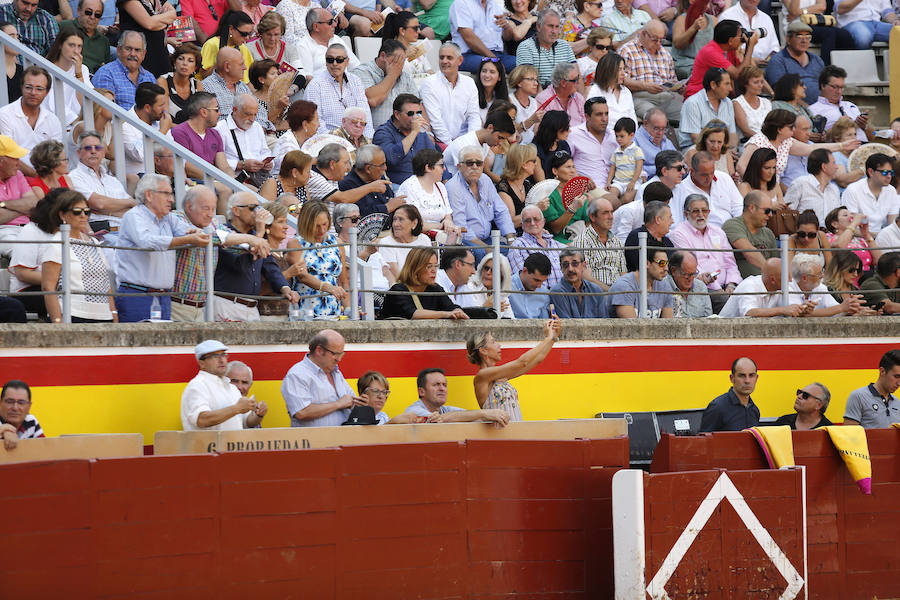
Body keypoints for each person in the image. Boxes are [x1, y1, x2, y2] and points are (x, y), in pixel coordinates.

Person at [114, 174, 211, 321]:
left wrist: (195, 232)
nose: (171, 200)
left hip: (164, 297)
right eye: (166, 194)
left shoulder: (169, 218)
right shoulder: (134, 216)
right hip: (137, 295)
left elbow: (189, 230)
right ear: (149, 195)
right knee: (137, 343)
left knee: (164, 344)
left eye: (171, 194)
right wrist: (187, 239)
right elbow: (146, 241)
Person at [172, 186, 270, 322]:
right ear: (189, 207)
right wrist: (254, 239)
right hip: (177, 304)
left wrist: (257, 238)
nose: (210, 214)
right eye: (206, 208)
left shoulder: (212, 223)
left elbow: (235, 241)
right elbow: (209, 237)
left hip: (202, 307)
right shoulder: (177, 219)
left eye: (213, 209)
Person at [36, 189, 116, 323]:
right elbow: (48, 287)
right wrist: (58, 323)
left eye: (87, 212)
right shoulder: (57, 243)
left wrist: (114, 314)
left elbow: (106, 284)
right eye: (77, 212)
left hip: (104, 316)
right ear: (62, 215)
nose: (83, 216)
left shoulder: (94, 242)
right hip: (72, 314)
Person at [466, 316, 561, 421]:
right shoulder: (482, 376)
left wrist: (553, 338)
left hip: (515, 433)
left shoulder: (500, 375)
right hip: (498, 436)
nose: (499, 345)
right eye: (493, 342)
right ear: (483, 350)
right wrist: (547, 338)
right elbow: (522, 362)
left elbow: (538, 359)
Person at [738, 109, 852, 181]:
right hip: (754, 190)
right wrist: (758, 186)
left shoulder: (786, 141)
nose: (793, 129)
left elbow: (811, 148)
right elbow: (741, 167)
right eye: (790, 127)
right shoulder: (758, 141)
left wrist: (842, 146)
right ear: (779, 129)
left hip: (773, 188)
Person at [670, 194, 740, 311]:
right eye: (695, 211)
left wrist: (732, 284)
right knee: (724, 301)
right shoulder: (678, 234)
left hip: (725, 287)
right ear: (686, 214)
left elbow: (730, 262)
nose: (701, 215)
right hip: (699, 285)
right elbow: (689, 265)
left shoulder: (718, 232)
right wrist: (718, 290)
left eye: (704, 210)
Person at [447, 145, 517, 262]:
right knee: (480, 253)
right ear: (459, 166)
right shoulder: (453, 187)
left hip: (488, 239)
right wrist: (486, 249)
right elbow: (460, 226)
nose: (475, 167)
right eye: (469, 163)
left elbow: (501, 211)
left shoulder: (485, 180)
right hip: (465, 241)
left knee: (512, 250)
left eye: (478, 163)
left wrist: (510, 239)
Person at [281, 329, 361, 428]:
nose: (339, 359)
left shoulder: (336, 372)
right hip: (315, 441)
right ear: (319, 350)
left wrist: (361, 403)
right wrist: (338, 404)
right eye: (334, 354)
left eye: (341, 354)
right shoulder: (297, 374)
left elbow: (349, 400)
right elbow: (301, 412)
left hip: (342, 439)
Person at [181, 340, 267, 431]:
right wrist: (237, 408)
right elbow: (201, 419)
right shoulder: (197, 385)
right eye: (215, 356)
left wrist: (258, 414)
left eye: (223, 355)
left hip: (232, 444)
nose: (222, 360)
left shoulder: (231, 388)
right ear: (202, 363)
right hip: (207, 445)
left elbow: (245, 422)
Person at [170, 93, 235, 209]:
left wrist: (232, 179)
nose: (220, 113)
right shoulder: (180, 132)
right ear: (204, 112)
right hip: (192, 182)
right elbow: (186, 165)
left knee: (250, 191)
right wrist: (218, 179)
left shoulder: (215, 133)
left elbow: (224, 165)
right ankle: (224, 227)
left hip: (213, 179)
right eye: (216, 110)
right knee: (225, 189)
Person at [0, 66, 62, 178]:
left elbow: (57, 156)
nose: (33, 93)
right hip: (14, 176)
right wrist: (37, 177)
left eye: (39, 89)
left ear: (47, 92)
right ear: (22, 87)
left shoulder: (53, 120)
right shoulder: (5, 114)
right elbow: (8, 155)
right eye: (29, 87)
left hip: (46, 176)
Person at [291, 201, 349, 318]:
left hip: (333, 307)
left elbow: (342, 281)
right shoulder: (296, 243)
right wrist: (329, 288)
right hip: (306, 309)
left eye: (324, 224)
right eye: (316, 226)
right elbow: (303, 276)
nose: (322, 230)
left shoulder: (337, 242)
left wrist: (348, 308)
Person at [305, 43, 374, 140]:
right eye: (330, 60)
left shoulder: (356, 81)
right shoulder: (315, 85)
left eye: (339, 60)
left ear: (347, 62)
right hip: (328, 143)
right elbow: (316, 123)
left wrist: (368, 141)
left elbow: (366, 116)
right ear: (325, 62)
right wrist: (337, 142)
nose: (334, 64)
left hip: (357, 140)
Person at [619, 20, 683, 123]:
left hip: (668, 97)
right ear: (644, 34)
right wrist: (646, 86)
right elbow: (622, 80)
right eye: (654, 39)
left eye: (661, 40)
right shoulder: (627, 51)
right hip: (641, 97)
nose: (658, 44)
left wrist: (679, 87)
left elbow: (673, 80)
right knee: (656, 119)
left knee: (690, 114)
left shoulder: (665, 53)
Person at [381, 246, 469, 319]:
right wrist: (446, 314)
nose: (434, 271)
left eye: (435, 266)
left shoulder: (435, 288)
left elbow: (451, 307)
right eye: (429, 266)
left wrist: (458, 312)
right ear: (415, 268)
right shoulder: (398, 290)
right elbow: (413, 314)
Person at [419, 42, 481, 146]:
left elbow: (474, 116)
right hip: (439, 142)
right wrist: (452, 146)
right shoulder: (429, 84)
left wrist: (472, 143)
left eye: (449, 58)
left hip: (465, 141)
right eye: (441, 57)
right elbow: (436, 122)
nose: (444, 61)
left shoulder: (469, 83)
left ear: (460, 60)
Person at [403, 368, 510, 426]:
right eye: (436, 385)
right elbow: (437, 420)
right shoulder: (415, 410)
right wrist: (484, 413)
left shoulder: (446, 410)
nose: (442, 389)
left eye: (444, 385)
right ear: (421, 391)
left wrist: (493, 415)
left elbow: (468, 416)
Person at [352, 38, 419, 130]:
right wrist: (392, 75)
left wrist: (427, 133)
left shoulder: (406, 77)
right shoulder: (362, 72)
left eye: (403, 61)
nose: (400, 65)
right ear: (383, 56)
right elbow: (372, 100)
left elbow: (418, 107)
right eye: (396, 60)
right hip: (375, 136)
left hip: (405, 132)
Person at [373, 94, 439, 186]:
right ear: (397, 114)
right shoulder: (383, 133)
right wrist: (414, 132)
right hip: (398, 185)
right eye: (410, 113)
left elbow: (435, 158)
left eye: (418, 113)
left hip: (422, 183)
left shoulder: (420, 132)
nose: (416, 117)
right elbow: (392, 158)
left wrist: (446, 181)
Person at [615, 150, 683, 239]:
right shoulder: (645, 190)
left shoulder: (681, 187)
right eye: (679, 168)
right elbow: (626, 237)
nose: (683, 172)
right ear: (665, 170)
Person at [684, 19, 758, 99]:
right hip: (699, 98)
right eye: (740, 36)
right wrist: (750, 47)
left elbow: (748, 71)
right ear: (730, 41)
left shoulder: (728, 49)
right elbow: (737, 75)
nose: (742, 38)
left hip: (717, 95)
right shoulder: (711, 52)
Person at [40, 27, 93, 128]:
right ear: (60, 45)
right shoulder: (45, 70)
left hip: (79, 124)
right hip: (53, 123)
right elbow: (51, 101)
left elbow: (86, 101)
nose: (76, 51)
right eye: (71, 45)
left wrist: (78, 73)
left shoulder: (82, 69)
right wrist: (76, 122)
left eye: (79, 46)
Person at [215, 94, 272, 189]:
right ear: (235, 110)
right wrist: (241, 165)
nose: (252, 119)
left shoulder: (257, 126)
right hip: (236, 181)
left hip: (259, 178)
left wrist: (267, 163)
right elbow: (217, 162)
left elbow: (265, 152)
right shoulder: (220, 129)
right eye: (248, 114)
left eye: (255, 114)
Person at [91, 31, 157, 110]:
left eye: (137, 50)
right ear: (118, 50)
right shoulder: (106, 73)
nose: (133, 54)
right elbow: (105, 113)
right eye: (128, 49)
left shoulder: (150, 77)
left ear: (143, 54)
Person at [764, 21, 825, 106]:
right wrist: (807, 109)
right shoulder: (778, 61)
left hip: (821, 107)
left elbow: (825, 86)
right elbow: (782, 92)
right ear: (788, 39)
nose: (804, 40)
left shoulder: (817, 60)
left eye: (807, 36)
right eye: (799, 36)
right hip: (794, 109)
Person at [719, 257, 803, 317]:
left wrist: (802, 308)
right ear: (773, 280)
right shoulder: (749, 285)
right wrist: (782, 310)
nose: (790, 281)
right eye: (786, 278)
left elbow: (792, 307)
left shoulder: (783, 285)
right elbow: (749, 312)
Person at [809, 66, 873, 144]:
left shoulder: (850, 106)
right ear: (823, 86)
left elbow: (873, 136)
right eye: (835, 87)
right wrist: (841, 125)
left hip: (864, 148)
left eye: (841, 87)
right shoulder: (813, 110)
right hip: (839, 151)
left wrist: (864, 126)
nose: (839, 91)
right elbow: (813, 141)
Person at [449, 0, 517, 73]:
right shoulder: (461, 3)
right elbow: (469, 38)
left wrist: (506, 26)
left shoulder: (495, 6)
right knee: (490, 66)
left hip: (497, 54)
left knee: (523, 64)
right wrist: (494, 60)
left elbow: (507, 38)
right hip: (468, 55)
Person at [515, 8, 577, 87]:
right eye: (550, 26)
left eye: (557, 27)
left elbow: (577, 77)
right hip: (539, 97)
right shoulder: (526, 47)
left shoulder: (565, 45)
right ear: (538, 27)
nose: (554, 31)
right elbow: (528, 84)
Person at [723, 190, 778, 278]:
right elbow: (749, 251)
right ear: (751, 208)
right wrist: (771, 273)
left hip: (768, 284)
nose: (771, 215)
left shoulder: (768, 233)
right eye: (767, 211)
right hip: (744, 286)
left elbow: (776, 261)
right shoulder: (732, 225)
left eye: (772, 211)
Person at [679, 67, 737, 150]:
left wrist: (732, 150)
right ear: (713, 85)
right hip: (697, 150)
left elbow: (732, 135)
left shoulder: (728, 102)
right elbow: (696, 139)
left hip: (721, 149)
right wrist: (723, 152)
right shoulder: (693, 103)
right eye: (726, 84)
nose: (731, 89)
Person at [507, 205, 565, 288]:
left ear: (543, 222)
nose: (532, 223)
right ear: (522, 225)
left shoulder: (556, 244)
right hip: (539, 296)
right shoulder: (518, 246)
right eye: (527, 220)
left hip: (564, 295)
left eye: (536, 219)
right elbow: (523, 280)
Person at [841, 153, 900, 236]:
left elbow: (892, 224)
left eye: (891, 173)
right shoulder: (853, 190)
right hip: (857, 238)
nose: (889, 176)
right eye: (885, 172)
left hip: (881, 238)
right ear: (871, 172)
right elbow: (848, 226)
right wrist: (875, 236)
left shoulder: (891, 190)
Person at [121, 82, 171, 178]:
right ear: (147, 108)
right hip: (139, 181)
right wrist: (162, 132)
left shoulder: (160, 121)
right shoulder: (124, 125)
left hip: (165, 178)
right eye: (160, 105)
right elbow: (139, 155)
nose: (164, 109)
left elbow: (171, 152)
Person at [787, 252, 862, 316]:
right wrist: (842, 308)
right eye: (818, 274)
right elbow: (800, 315)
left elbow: (835, 309)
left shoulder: (820, 287)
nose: (822, 276)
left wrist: (855, 310)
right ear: (804, 278)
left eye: (822, 271)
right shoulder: (788, 289)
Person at [577, 194, 627, 289]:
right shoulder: (582, 241)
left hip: (618, 295)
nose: (611, 216)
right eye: (605, 213)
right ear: (592, 217)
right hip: (595, 296)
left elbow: (623, 273)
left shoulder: (616, 241)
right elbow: (585, 277)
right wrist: (610, 292)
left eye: (612, 212)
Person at [338, 144, 403, 217]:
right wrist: (387, 207)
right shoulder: (346, 185)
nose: (385, 168)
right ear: (368, 169)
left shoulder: (378, 176)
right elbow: (360, 215)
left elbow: (391, 198)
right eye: (382, 165)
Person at [699, 357, 761, 432]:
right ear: (732, 378)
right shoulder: (717, 407)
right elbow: (704, 442)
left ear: (756, 378)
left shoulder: (754, 410)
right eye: (741, 375)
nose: (747, 381)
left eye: (751, 375)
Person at [609, 247, 675, 317]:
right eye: (662, 263)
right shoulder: (624, 286)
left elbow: (668, 324)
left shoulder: (664, 286)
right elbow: (630, 326)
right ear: (646, 263)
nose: (666, 268)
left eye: (667, 263)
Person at [843, 349, 900, 428]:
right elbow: (849, 435)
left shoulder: (897, 403)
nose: (899, 383)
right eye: (896, 376)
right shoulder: (858, 396)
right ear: (882, 371)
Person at [296, 8, 360, 77]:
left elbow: (356, 67)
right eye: (330, 22)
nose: (335, 25)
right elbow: (308, 78)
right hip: (320, 86)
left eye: (334, 21)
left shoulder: (336, 39)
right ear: (316, 27)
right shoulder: (303, 45)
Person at [549, 248, 609, 318]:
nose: (570, 269)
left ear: (584, 265)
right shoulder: (557, 292)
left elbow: (604, 320)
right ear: (561, 267)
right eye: (565, 265)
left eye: (575, 263)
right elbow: (565, 325)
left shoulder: (595, 290)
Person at [199, 10, 254, 83]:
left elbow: (248, 81)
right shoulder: (212, 44)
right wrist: (221, 61)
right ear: (231, 29)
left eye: (250, 34)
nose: (247, 38)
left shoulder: (243, 48)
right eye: (243, 34)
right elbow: (204, 76)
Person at [379, 204, 431, 279]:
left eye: (401, 219)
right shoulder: (386, 243)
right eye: (394, 219)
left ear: (414, 223)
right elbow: (396, 277)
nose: (395, 224)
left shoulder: (424, 240)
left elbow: (428, 270)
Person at [201, 46, 253, 121]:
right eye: (241, 64)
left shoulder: (243, 87)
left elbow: (259, 111)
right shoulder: (206, 88)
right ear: (227, 67)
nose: (245, 67)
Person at [58, 0, 111, 73]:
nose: (92, 17)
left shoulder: (104, 41)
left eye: (97, 14)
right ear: (78, 11)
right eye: (88, 12)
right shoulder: (63, 27)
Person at [824, 205, 878, 275]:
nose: (851, 217)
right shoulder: (828, 237)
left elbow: (878, 259)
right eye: (845, 215)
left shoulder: (860, 240)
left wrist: (866, 234)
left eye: (851, 215)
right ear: (835, 224)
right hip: (844, 276)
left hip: (866, 276)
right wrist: (854, 223)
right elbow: (839, 246)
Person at [587, 52, 637, 129]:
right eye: (619, 69)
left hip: (627, 137)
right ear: (608, 70)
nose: (623, 73)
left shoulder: (626, 91)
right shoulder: (595, 91)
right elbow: (591, 121)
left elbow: (633, 118)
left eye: (623, 69)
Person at [496, 142, 539, 230]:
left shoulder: (527, 185)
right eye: (533, 161)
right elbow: (510, 223)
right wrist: (537, 208)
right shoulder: (504, 188)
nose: (536, 164)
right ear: (523, 164)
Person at [158, 44, 203, 125]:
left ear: (195, 67)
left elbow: (199, 118)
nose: (185, 63)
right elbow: (164, 117)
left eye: (190, 61)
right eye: (181, 59)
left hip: (190, 132)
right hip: (168, 131)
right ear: (174, 63)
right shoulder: (163, 81)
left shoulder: (198, 85)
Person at [670, 0, 716, 80]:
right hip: (686, 64)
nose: (708, 6)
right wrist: (693, 28)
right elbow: (677, 44)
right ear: (692, 1)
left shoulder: (713, 20)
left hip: (706, 63)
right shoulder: (681, 19)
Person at [623, 200, 674, 271]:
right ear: (658, 219)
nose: (672, 221)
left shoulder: (667, 241)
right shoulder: (636, 237)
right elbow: (639, 267)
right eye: (669, 217)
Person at [606, 117, 644, 205]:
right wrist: (608, 182)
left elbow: (639, 168)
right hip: (618, 182)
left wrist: (633, 182)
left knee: (627, 199)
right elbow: (612, 168)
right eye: (617, 136)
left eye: (622, 136)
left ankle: (618, 208)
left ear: (631, 135)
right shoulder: (616, 151)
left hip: (632, 182)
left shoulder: (637, 150)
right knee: (611, 196)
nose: (618, 139)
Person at [663, 250, 712, 317]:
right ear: (673, 270)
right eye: (687, 275)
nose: (691, 278)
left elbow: (709, 318)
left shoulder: (701, 287)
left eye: (694, 274)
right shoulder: (662, 287)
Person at [535, 63, 586, 127]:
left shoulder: (578, 98)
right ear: (563, 83)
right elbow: (545, 130)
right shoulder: (543, 99)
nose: (578, 82)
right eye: (575, 80)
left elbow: (586, 124)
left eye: (578, 78)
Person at [467, 254, 515, 318]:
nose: (488, 272)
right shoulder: (469, 288)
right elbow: (467, 320)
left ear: (502, 276)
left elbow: (511, 321)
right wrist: (485, 308)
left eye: (494, 270)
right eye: (486, 268)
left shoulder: (502, 294)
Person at [0, 380, 43, 448]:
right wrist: (2, 432)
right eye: (10, 402)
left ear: (29, 406)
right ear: (0, 403)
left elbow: (44, 449)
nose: (15, 408)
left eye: (21, 402)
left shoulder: (31, 421)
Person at [635, 108, 676, 179]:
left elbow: (679, 161)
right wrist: (663, 169)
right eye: (656, 128)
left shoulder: (666, 141)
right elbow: (631, 168)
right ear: (645, 123)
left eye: (663, 129)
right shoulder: (635, 140)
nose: (660, 133)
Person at [732, 65, 771, 140]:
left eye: (762, 82)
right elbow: (746, 131)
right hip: (750, 143)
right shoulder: (737, 103)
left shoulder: (766, 102)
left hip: (770, 142)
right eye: (756, 82)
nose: (760, 85)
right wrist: (766, 140)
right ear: (745, 84)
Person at [507, 65, 544, 144]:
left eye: (536, 80)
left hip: (532, 149)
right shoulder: (509, 101)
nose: (536, 83)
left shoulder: (536, 104)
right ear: (519, 82)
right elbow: (508, 133)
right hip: (514, 149)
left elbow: (536, 133)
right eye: (531, 79)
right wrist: (531, 120)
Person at [509, 252, 552, 318]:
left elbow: (544, 321)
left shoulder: (544, 293)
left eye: (543, 281)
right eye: (536, 280)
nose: (539, 285)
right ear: (525, 270)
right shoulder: (506, 286)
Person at [781, 116, 818, 189]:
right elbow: (778, 181)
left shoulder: (813, 146)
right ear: (792, 130)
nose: (809, 133)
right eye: (805, 129)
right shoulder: (783, 149)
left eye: (809, 129)